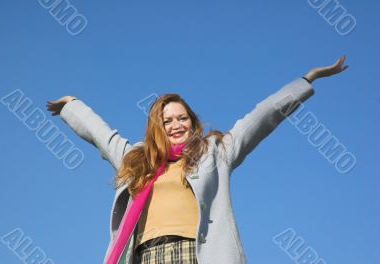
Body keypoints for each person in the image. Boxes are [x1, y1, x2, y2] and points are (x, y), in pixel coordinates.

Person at [46, 55, 348, 264]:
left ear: (192, 121)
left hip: (197, 254)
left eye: (183, 118)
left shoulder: (215, 153)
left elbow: (263, 115)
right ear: (157, 127)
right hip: (145, 256)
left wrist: (308, 79)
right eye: (167, 121)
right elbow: (103, 136)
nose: (177, 125)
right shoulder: (137, 160)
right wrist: (72, 105)